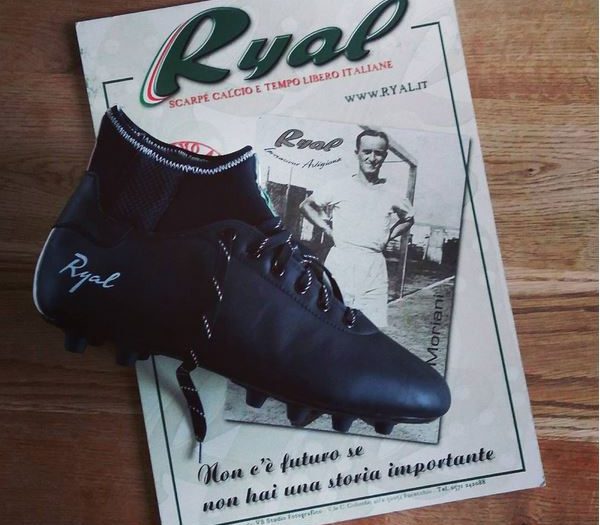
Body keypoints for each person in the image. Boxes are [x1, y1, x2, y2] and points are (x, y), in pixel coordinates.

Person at [300, 130, 414, 327]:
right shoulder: (339, 186)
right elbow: (306, 206)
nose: (372, 158)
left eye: (378, 153)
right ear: (357, 153)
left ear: (385, 156)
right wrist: (327, 229)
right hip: (341, 261)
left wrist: (388, 236)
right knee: (329, 322)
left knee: (369, 328)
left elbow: (409, 219)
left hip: (374, 266)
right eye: (366, 152)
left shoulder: (392, 192)